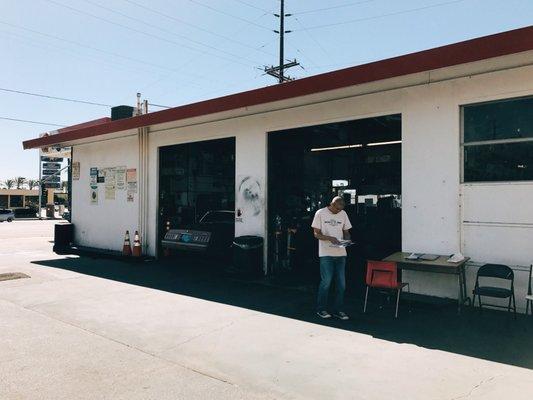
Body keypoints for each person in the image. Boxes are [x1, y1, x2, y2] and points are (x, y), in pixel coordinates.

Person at [311, 196, 352, 320]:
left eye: (340, 210)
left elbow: (346, 230)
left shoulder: (343, 213)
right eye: (336, 209)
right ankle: (321, 309)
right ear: (332, 204)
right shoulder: (320, 213)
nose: (338, 212)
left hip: (340, 253)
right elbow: (316, 234)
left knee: (341, 284)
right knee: (326, 282)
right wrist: (330, 238)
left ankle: (338, 310)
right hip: (326, 253)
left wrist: (347, 239)